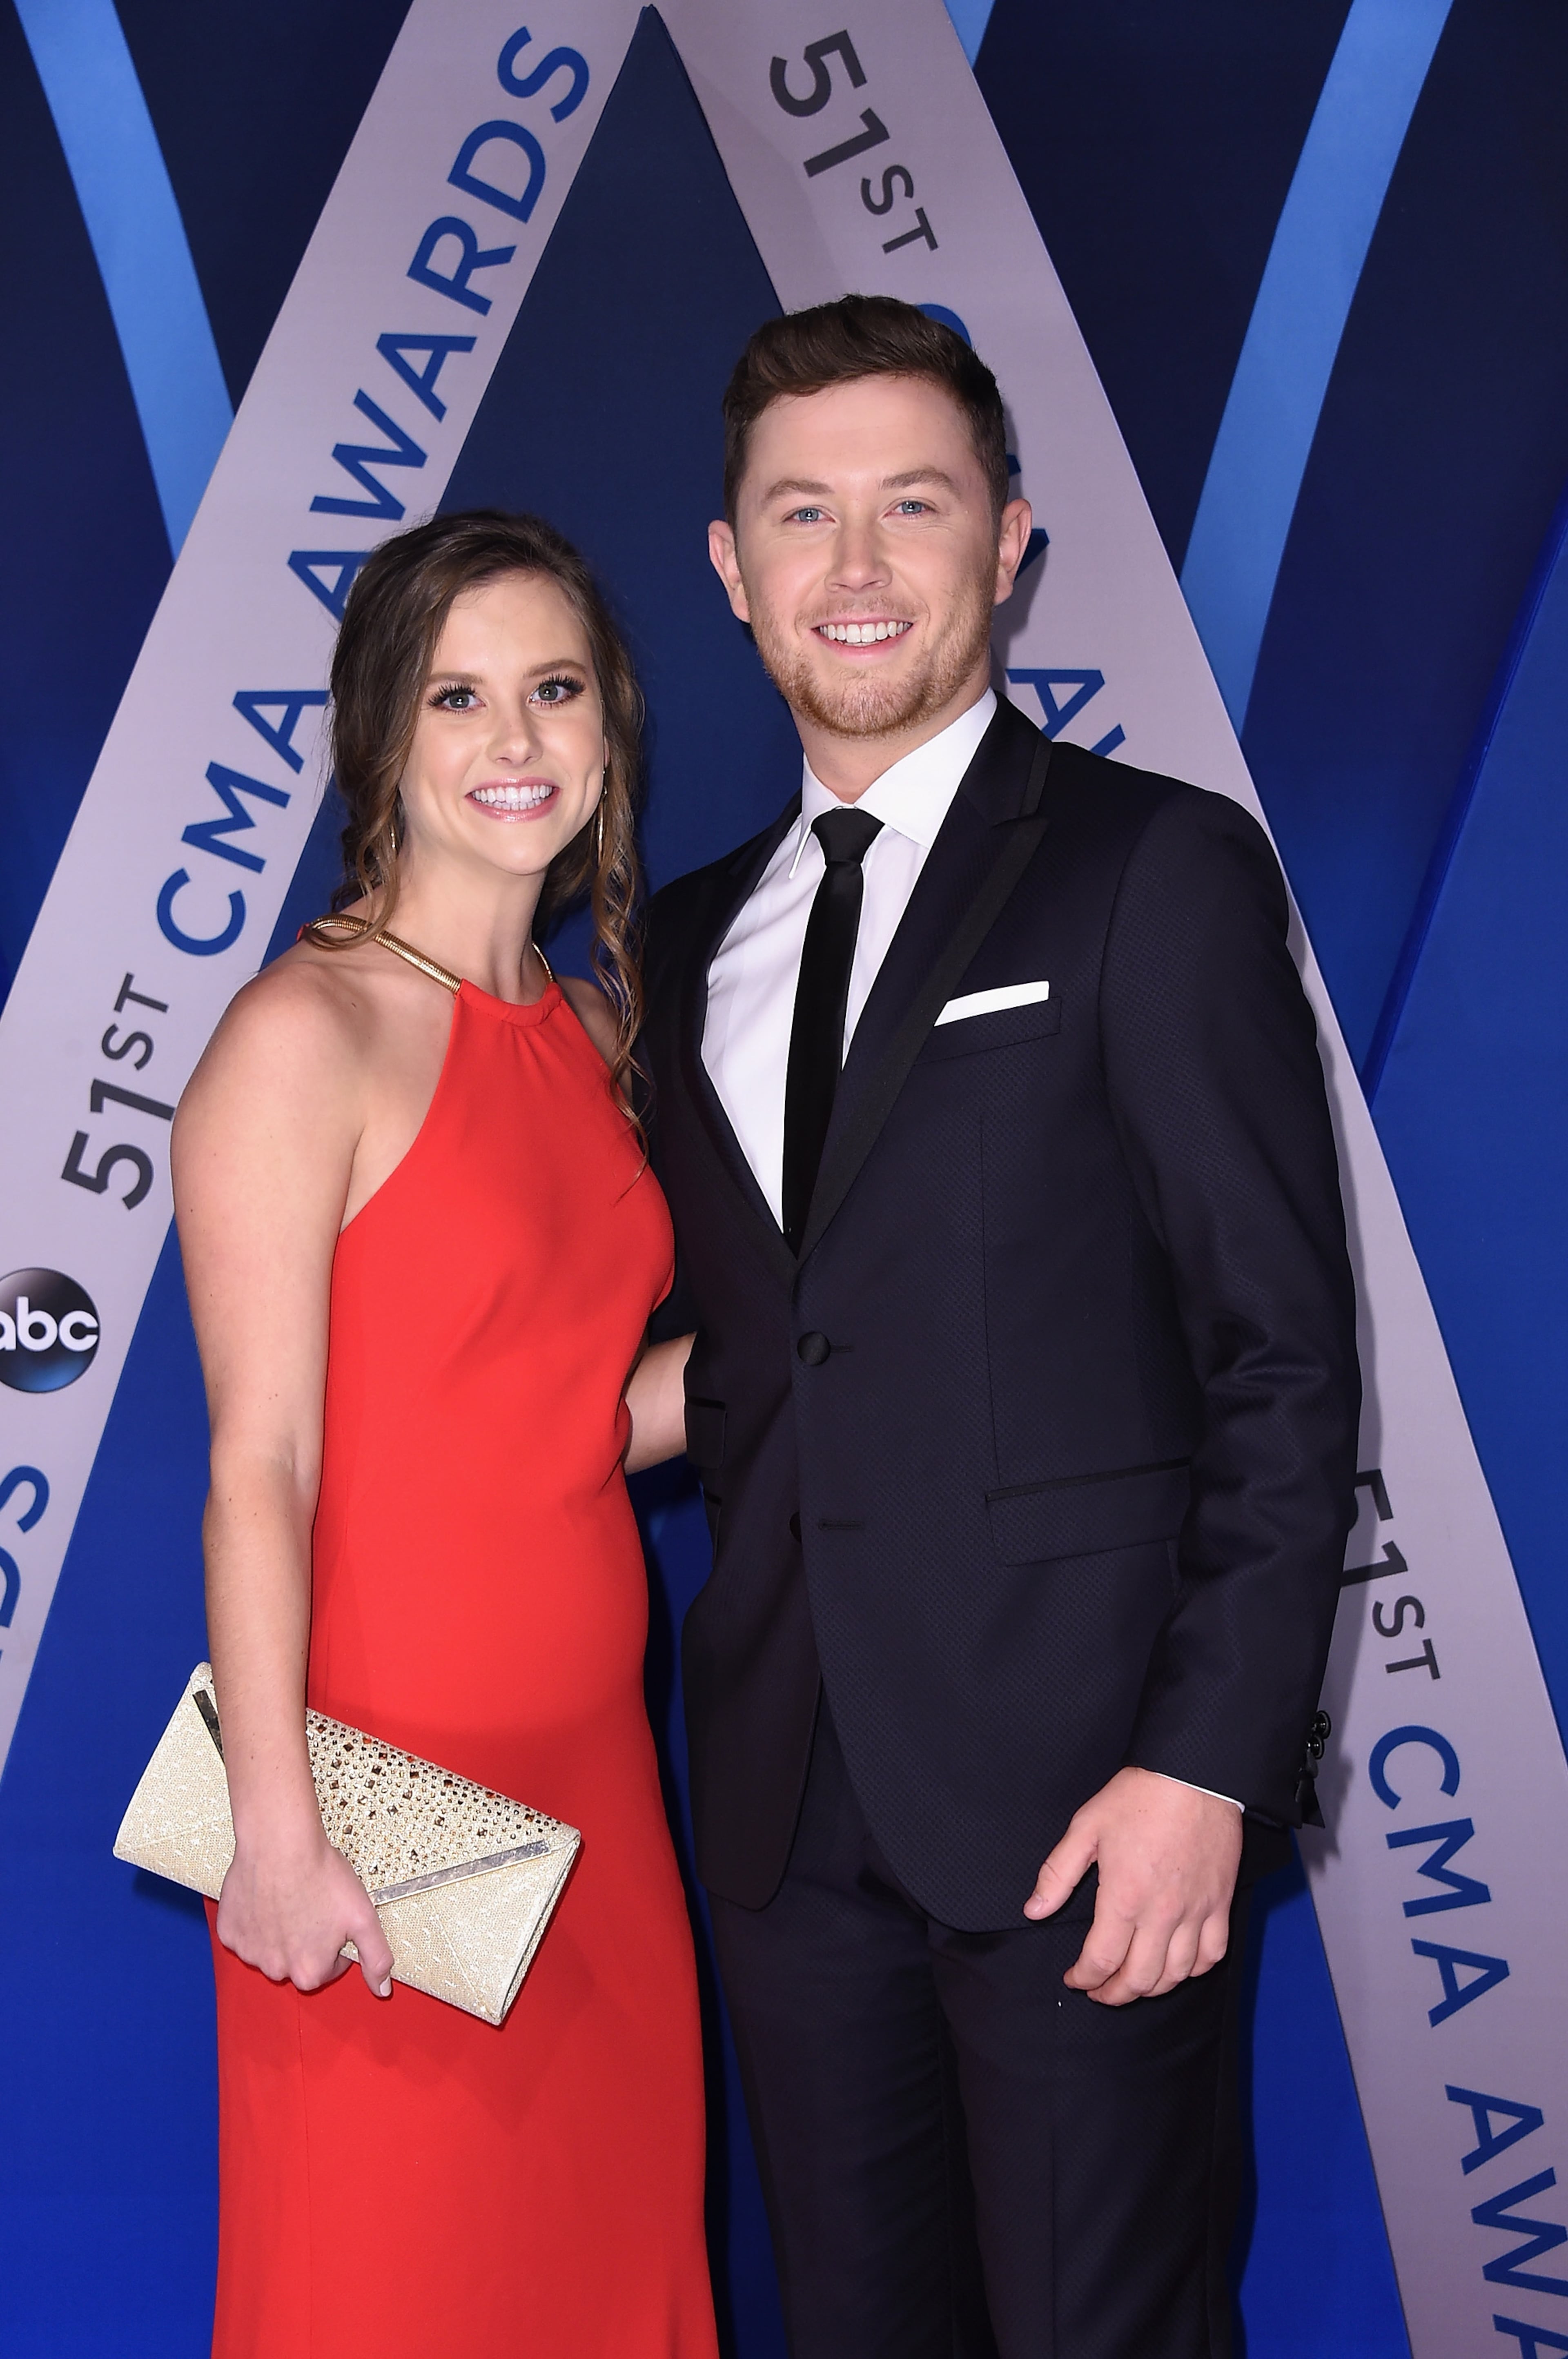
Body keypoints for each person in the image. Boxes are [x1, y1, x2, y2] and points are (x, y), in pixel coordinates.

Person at [639, 296, 1360, 2358]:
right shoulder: (680, 940)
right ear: (732, 566)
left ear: (1010, 540)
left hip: (1084, 1802)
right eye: (803, 514)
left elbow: (1283, 1364)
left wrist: (1203, 1769)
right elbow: (729, 1349)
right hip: (784, 1815)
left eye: (913, 507)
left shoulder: (1156, 870)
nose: (855, 570)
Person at [172, 510, 716, 2359]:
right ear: (381, 735)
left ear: (608, 725)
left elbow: (575, 1411)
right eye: (457, 693)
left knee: (603, 2294)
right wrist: (275, 1829)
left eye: (553, 688)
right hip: (379, 1815)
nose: (514, 738)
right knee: (397, 2298)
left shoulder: (578, 1025)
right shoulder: (301, 1033)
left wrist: (840, 1350)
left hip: (605, 1813)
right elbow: (263, 1463)